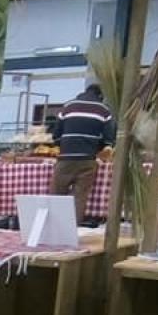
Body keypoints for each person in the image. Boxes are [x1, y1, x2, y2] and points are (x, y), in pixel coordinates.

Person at [50, 83, 115, 224]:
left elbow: (56, 135)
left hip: (65, 159)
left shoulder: (68, 106)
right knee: (79, 197)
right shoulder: (104, 110)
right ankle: (72, 228)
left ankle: (53, 227)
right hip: (88, 160)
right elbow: (108, 139)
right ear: (100, 96)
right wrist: (97, 148)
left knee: (56, 194)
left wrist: (64, 146)